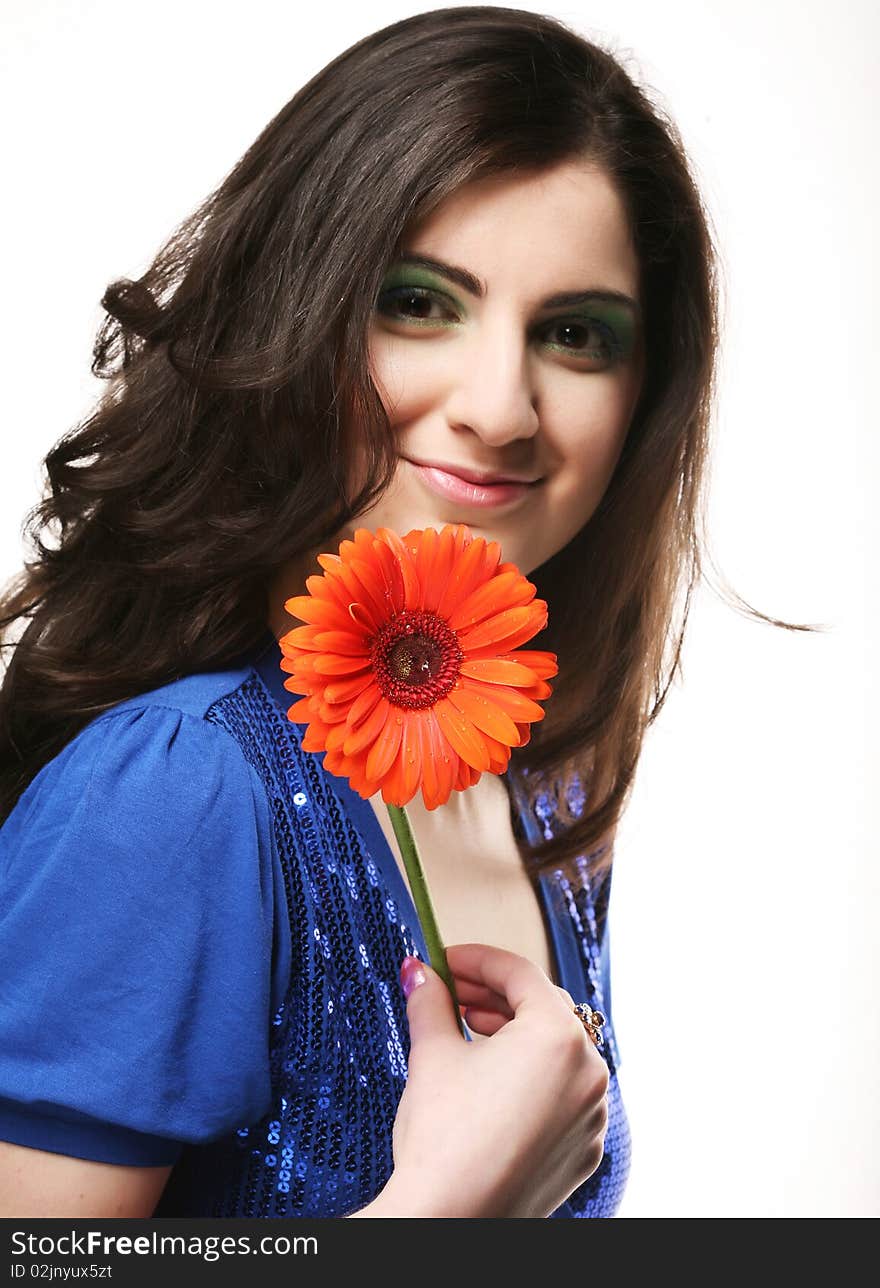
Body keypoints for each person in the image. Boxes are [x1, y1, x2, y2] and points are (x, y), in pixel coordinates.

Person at [0, 5, 797, 1219]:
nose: (500, 406)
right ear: (292, 317)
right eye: (420, 302)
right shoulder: (181, 790)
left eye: (574, 334)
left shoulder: (544, 778)